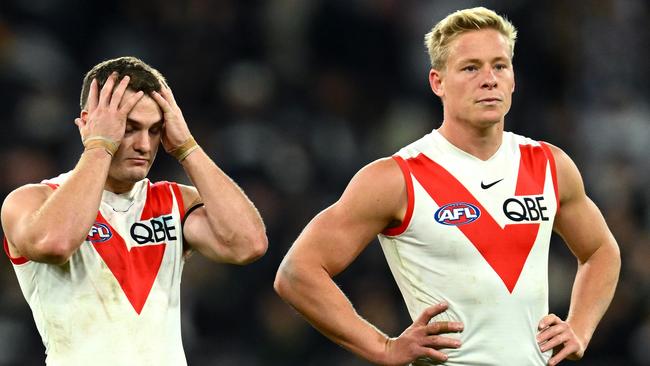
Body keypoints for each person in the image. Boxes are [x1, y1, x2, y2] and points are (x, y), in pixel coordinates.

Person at [274, 7, 620, 366]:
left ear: (513, 78)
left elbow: (600, 251)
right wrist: (382, 347)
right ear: (437, 82)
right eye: (470, 68)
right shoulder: (397, 178)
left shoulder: (550, 165)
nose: (489, 79)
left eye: (499, 66)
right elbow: (298, 272)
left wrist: (580, 327)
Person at [1, 56, 268, 365]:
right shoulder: (30, 200)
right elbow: (55, 243)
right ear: (88, 123)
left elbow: (249, 244)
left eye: (155, 130)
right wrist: (99, 145)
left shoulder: (174, 202)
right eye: (128, 128)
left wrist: (188, 147)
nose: (144, 144)